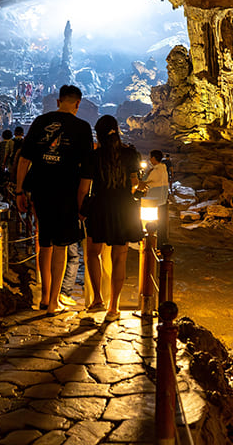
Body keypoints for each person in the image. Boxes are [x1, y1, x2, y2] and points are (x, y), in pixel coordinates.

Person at [16, 85, 93, 314]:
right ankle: (53, 303)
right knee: (61, 246)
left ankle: (45, 294)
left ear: (59, 101)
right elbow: (87, 171)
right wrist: (82, 201)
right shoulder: (82, 128)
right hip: (66, 193)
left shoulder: (40, 122)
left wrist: (20, 191)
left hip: (40, 190)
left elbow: (24, 159)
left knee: (44, 243)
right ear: (78, 104)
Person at [78, 115, 143, 321]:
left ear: (98, 133)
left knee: (93, 253)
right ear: (117, 130)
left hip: (100, 207)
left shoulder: (93, 156)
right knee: (119, 257)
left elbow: (83, 189)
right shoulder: (130, 153)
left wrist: (81, 210)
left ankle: (97, 299)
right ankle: (113, 307)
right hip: (124, 208)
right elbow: (134, 183)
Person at [139, 150, 170, 242]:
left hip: (154, 201)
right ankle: (160, 243)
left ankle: (152, 243)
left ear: (153, 158)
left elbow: (145, 181)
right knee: (161, 224)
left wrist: (147, 173)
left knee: (152, 224)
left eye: (150, 157)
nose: (149, 159)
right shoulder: (163, 168)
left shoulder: (156, 170)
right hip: (162, 200)